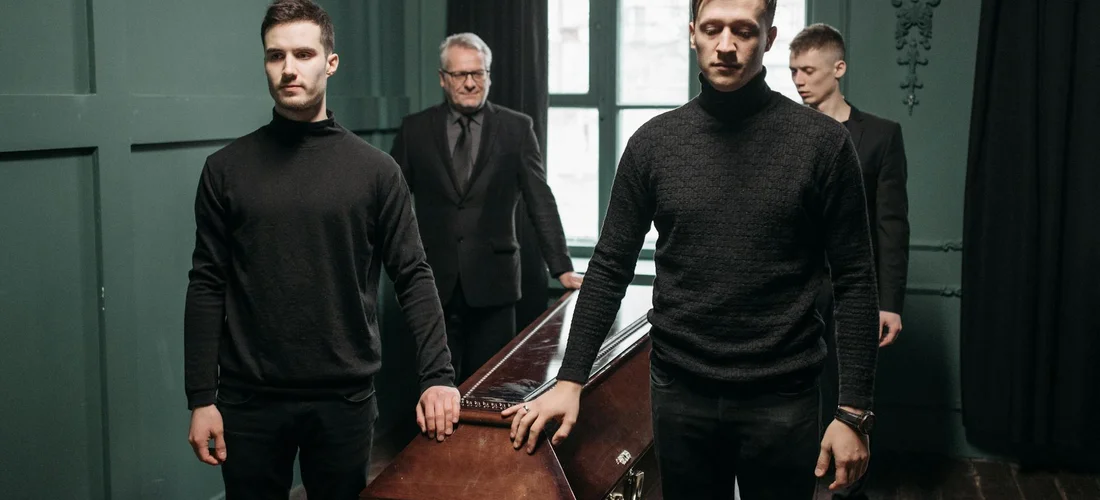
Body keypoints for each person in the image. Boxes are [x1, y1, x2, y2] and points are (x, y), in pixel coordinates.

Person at [503, 0, 881, 498]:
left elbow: (855, 278)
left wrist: (853, 412)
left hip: (782, 395)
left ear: (768, 38)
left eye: (744, 30)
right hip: (680, 392)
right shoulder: (653, 144)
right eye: (713, 29)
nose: (726, 45)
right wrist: (571, 379)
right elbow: (610, 266)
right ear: (691, 34)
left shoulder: (823, 144)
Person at [183, 1, 460, 498]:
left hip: (343, 399)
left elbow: (413, 274)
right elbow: (207, 283)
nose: (288, 68)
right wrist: (201, 397)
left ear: (330, 62)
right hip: (248, 402)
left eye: (304, 53)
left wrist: (439, 375)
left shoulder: (375, 171)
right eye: (275, 56)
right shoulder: (225, 169)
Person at [389, 32, 583, 384]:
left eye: (478, 74)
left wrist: (562, 267)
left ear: (489, 76)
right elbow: (390, 204)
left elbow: (540, 199)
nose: (470, 83)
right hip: (431, 283)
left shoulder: (516, 128)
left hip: (495, 284)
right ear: (443, 79)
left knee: (492, 387)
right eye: (460, 75)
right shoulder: (414, 130)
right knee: (433, 388)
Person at [790, 22, 911, 499]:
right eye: (793, 70)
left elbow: (892, 224)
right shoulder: (789, 133)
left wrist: (891, 301)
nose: (799, 80)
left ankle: (843, 488)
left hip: (853, 291)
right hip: (794, 290)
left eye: (809, 70)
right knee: (795, 395)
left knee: (850, 394)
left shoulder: (881, 135)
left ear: (838, 69)